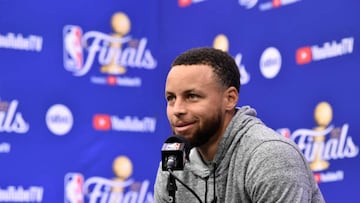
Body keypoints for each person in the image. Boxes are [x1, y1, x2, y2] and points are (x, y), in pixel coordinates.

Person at [154, 47, 325, 203]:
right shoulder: (172, 165)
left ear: (230, 98)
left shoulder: (270, 156)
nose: (177, 110)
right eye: (171, 98)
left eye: (192, 96)